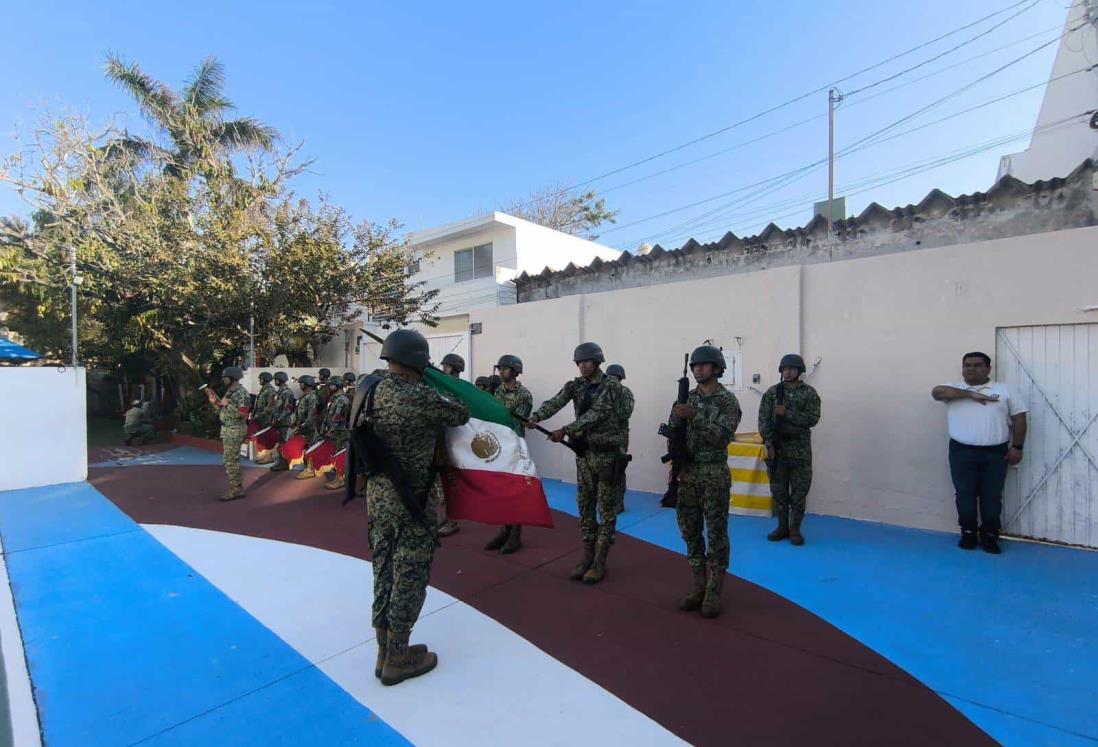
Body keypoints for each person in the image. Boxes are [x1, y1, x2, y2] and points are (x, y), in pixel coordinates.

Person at [359, 328, 470, 686]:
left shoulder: (368, 390)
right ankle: (397, 658)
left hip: (377, 498)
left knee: (384, 569)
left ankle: (383, 650)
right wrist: (439, 380)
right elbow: (461, 413)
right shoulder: (422, 396)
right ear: (420, 361)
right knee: (410, 575)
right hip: (412, 501)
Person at [529, 342, 626, 584]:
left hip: (606, 456)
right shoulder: (576, 386)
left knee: (606, 508)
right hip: (584, 456)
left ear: (597, 362)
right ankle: (587, 556)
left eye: (586, 361)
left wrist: (566, 429)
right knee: (584, 505)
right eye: (579, 362)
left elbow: (598, 414)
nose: (582, 365)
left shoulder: (611, 386)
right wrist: (537, 416)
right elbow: (556, 401)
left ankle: (600, 561)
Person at [664, 346, 741, 618]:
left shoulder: (727, 401)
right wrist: (675, 465)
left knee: (717, 531)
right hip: (687, 474)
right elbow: (675, 435)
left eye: (705, 365)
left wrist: (693, 416)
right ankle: (698, 582)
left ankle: (714, 587)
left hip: (714, 474)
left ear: (717, 368)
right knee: (690, 529)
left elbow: (721, 436)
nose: (698, 368)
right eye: (695, 365)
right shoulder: (685, 399)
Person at [932, 352, 1027, 554]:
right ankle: (968, 532)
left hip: (996, 452)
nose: (971, 369)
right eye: (967, 365)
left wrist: (1017, 447)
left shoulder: (1004, 390)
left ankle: (990, 535)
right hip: (961, 451)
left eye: (977, 365)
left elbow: (1019, 418)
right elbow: (936, 392)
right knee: (964, 494)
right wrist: (970, 394)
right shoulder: (955, 389)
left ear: (988, 369)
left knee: (991, 496)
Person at [759, 354, 821, 546]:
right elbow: (763, 420)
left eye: (792, 369)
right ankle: (782, 527)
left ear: (799, 371)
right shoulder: (772, 393)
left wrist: (788, 413)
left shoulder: (809, 393)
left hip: (800, 451)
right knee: (779, 493)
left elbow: (813, 418)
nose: (788, 372)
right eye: (785, 369)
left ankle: (795, 530)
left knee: (799, 493)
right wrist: (768, 444)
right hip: (778, 450)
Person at [484, 354, 534, 554]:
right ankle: (504, 530)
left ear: (514, 371)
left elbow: (516, 421)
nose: (501, 371)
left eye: (504, 368)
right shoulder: (497, 393)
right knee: (502, 491)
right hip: (499, 447)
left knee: (515, 491)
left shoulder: (524, 395)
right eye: (500, 368)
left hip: (514, 447)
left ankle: (515, 535)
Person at [206, 366, 250, 501]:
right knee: (230, 459)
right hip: (228, 429)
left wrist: (226, 405)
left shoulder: (241, 394)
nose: (223, 379)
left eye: (225, 377)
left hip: (235, 429)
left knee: (230, 460)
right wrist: (216, 403)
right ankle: (236, 487)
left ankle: (236, 489)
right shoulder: (229, 392)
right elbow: (223, 409)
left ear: (233, 378)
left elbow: (243, 415)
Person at [435, 356, 464, 537]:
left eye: (446, 366)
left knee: (450, 484)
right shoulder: (442, 385)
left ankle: (452, 520)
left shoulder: (459, 389)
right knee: (440, 484)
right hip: (440, 441)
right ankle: (444, 518)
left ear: (454, 368)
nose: (443, 368)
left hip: (454, 442)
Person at [605, 364, 634, 514]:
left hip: (619, 439)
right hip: (603, 439)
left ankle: (617, 504)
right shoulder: (601, 392)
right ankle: (606, 503)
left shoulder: (625, 393)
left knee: (618, 470)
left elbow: (625, 413)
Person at [322, 378, 352, 490]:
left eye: (332, 385)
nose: (330, 387)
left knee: (340, 455)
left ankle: (341, 479)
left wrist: (332, 429)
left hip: (340, 432)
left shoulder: (342, 399)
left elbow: (338, 417)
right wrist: (324, 427)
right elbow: (329, 414)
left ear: (337, 386)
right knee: (336, 454)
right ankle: (338, 476)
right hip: (333, 431)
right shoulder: (334, 398)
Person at [293, 375, 322, 480]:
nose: (300, 385)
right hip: (303, 427)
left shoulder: (311, 397)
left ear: (306, 384)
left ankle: (310, 470)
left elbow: (311, 415)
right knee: (305, 447)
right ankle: (308, 468)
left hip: (309, 428)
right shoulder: (305, 396)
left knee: (310, 447)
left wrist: (304, 425)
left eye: (301, 383)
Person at [268, 371, 297, 472]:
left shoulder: (287, 392)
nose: (275, 381)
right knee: (280, 442)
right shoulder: (279, 392)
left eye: (276, 379)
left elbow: (287, 409)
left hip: (283, 422)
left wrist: (279, 419)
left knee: (283, 443)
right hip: (277, 422)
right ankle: (281, 460)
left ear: (280, 380)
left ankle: (284, 462)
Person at [252, 372, 278, 464]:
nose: (259, 381)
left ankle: (268, 457)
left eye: (260, 379)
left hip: (266, 419)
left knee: (267, 439)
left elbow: (270, 407)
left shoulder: (270, 391)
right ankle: (264, 456)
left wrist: (260, 415)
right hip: (260, 419)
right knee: (262, 438)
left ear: (264, 379)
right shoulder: (263, 390)